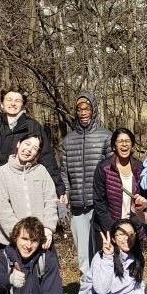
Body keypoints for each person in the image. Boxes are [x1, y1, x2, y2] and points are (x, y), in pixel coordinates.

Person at [0, 41, 64, 255]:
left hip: (25, 190)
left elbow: (46, 158)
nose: (13, 103)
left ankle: (35, 281)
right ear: (1, 103)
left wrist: (59, 188)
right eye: (9, 99)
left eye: (17, 100)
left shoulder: (32, 126)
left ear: (23, 105)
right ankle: (0, 284)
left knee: (29, 236)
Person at [59, 92, 111, 274]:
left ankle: (105, 290)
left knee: (102, 247)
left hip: (100, 205)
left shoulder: (106, 136)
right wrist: (64, 198)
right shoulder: (67, 141)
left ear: (93, 110)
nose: (83, 112)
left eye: (86, 108)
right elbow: (64, 173)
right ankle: (86, 292)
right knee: (82, 253)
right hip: (77, 206)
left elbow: (112, 172)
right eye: (79, 109)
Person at [0, 134, 58, 250]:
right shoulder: (2, 173)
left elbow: (50, 201)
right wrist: (20, 236)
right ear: (18, 144)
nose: (29, 150)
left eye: (35, 148)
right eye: (27, 144)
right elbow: (2, 208)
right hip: (12, 242)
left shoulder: (41, 171)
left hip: (40, 239)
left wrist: (48, 229)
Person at [79, 219, 147, 294]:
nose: (126, 238)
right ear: (114, 239)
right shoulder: (101, 256)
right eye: (121, 234)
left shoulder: (136, 258)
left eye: (130, 234)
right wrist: (108, 257)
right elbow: (101, 291)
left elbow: (138, 286)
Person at [92, 127, 143, 240]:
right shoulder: (104, 168)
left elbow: (145, 199)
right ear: (114, 146)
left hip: (133, 229)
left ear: (132, 145)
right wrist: (113, 228)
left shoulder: (140, 168)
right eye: (120, 141)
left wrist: (134, 225)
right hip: (110, 228)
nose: (124, 144)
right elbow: (99, 202)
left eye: (127, 141)